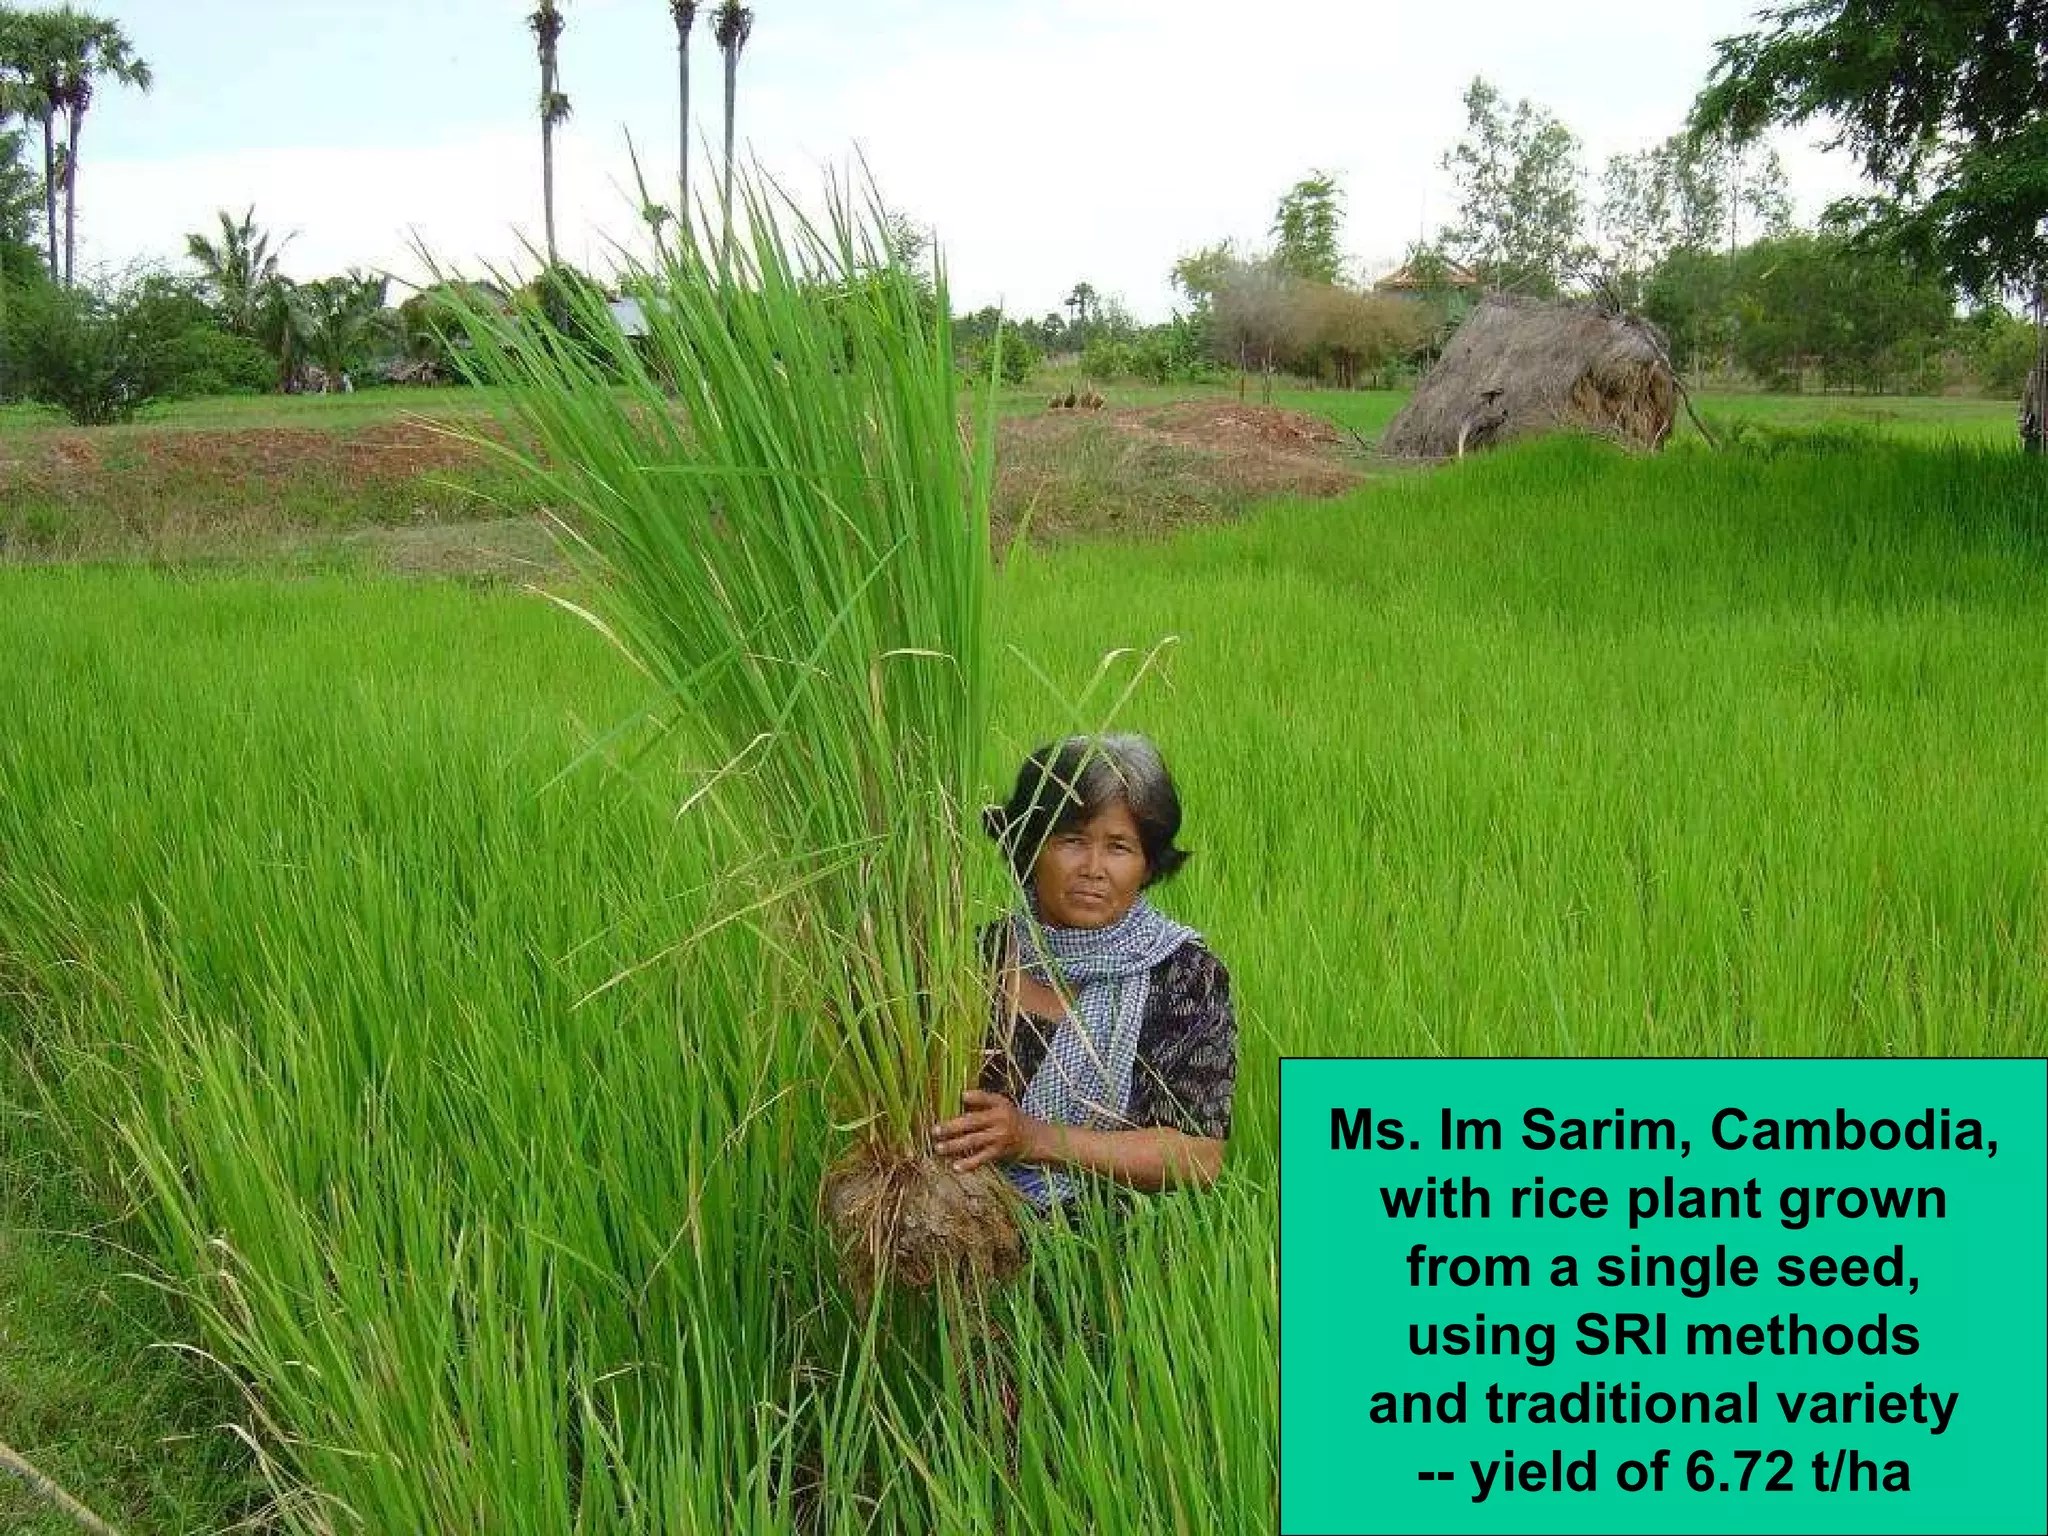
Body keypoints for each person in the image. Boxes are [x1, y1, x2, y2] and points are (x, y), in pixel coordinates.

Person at [932, 734, 1236, 1210]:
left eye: (1119, 847)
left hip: (1118, 1243)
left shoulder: (1183, 976)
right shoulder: (972, 963)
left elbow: (1198, 1156)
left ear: (1147, 865)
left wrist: (1033, 1139)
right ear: (1030, 849)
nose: (1094, 868)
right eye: (1072, 840)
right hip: (958, 1223)